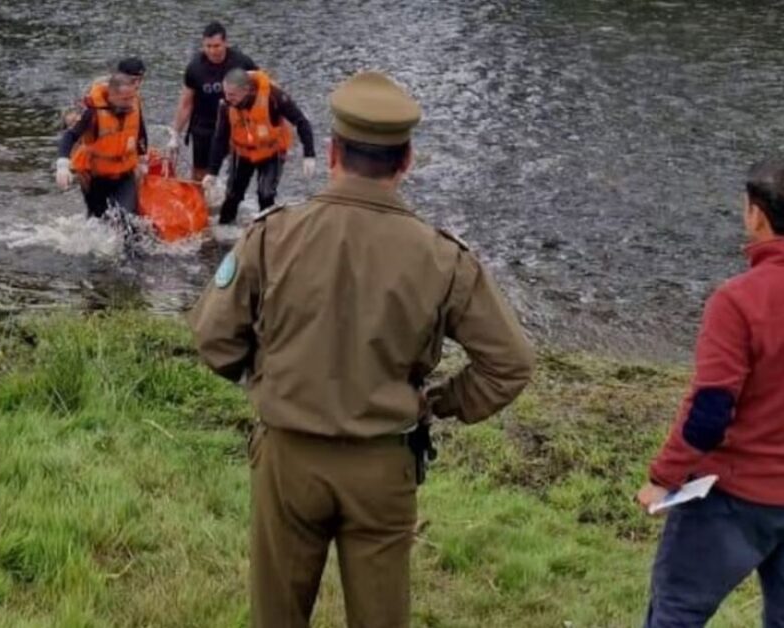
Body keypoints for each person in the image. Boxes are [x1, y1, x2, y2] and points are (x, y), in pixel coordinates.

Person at [187, 71, 535, 628]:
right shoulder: (444, 259)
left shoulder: (273, 235)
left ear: (331, 153)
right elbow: (510, 364)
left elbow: (213, 338)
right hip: (382, 464)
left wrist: (268, 377)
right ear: (407, 162)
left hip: (287, 458)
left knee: (276, 616)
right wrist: (439, 402)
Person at [636, 160, 784, 627]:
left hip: (732, 498)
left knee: (677, 613)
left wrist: (663, 478)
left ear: (757, 216)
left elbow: (710, 411)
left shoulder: (738, 300)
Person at [204, 68, 316, 225]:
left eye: (232, 95)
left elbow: (301, 122)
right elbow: (220, 138)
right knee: (232, 195)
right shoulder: (226, 105)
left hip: (271, 152)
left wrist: (309, 154)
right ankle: (224, 228)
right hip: (242, 152)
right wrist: (212, 172)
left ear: (247, 90)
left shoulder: (274, 97)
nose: (227, 99)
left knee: (265, 194)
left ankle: (266, 231)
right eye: (226, 93)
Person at [168, 22, 258, 180]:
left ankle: (231, 196)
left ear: (226, 43)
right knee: (199, 173)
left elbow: (263, 88)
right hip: (203, 125)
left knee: (236, 168)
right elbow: (186, 103)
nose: (212, 51)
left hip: (234, 123)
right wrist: (175, 133)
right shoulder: (195, 67)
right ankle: (200, 200)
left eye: (217, 46)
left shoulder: (242, 62)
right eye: (208, 46)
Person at [55, 74, 147, 218]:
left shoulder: (133, 105)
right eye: (125, 99)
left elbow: (140, 130)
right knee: (99, 219)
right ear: (112, 96)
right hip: (95, 176)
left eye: (131, 98)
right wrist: (62, 166)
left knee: (129, 219)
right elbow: (69, 136)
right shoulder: (92, 112)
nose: (130, 103)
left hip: (124, 174)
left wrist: (142, 160)